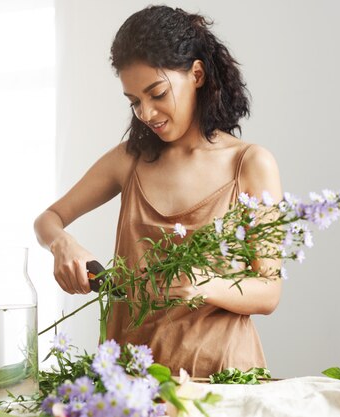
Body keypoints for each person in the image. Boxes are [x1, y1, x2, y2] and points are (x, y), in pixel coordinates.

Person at [34, 5, 283, 378]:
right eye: (134, 101)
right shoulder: (129, 161)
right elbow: (47, 220)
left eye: (157, 94)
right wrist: (62, 244)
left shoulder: (249, 164)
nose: (146, 113)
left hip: (224, 377)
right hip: (132, 381)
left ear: (196, 75)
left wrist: (203, 285)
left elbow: (269, 291)